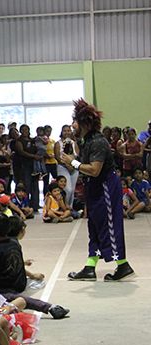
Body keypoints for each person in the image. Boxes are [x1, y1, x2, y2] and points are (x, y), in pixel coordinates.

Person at [61, 99, 135, 281]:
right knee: (93, 225)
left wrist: (73, 162)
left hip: (105, 187)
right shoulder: (86, 140)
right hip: (94, 187)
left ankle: (123, 265)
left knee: (109, 226)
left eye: (75, 121)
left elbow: (94, 169)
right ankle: (90, 267)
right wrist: (73, 156)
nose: (72, 125)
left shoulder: (99, 142)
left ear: (85, 122)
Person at [0, 213, 70, 319]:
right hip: (10, 287)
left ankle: (16, 302)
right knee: (21, 294)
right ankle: (50, 307)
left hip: (7, 287)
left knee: (30, 288)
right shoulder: (14, 244)